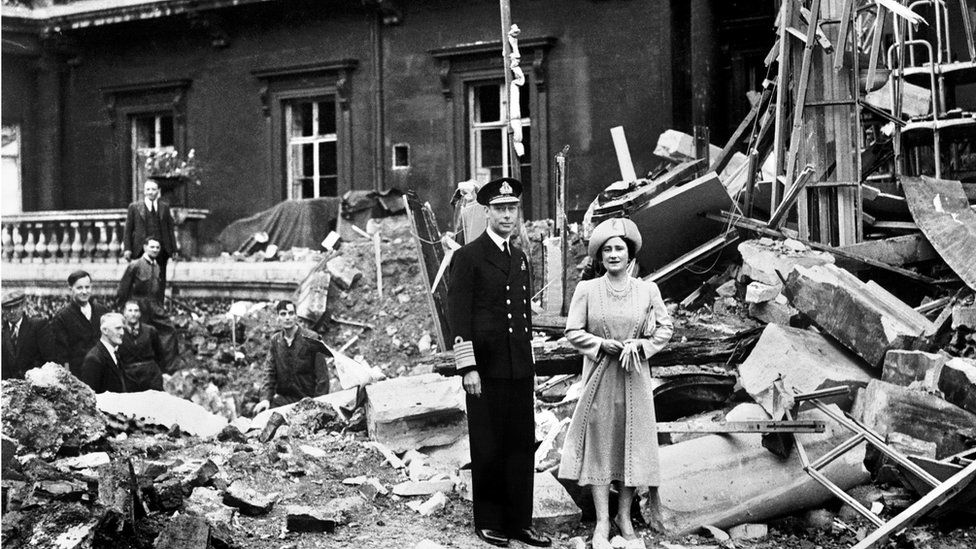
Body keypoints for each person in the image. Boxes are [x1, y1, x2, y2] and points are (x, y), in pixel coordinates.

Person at [557, 218, 673, 549]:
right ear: (599, 257)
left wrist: (641, 345)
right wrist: (599, 344)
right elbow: (572, 331)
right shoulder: (587, 290)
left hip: (634, 376)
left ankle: (624, 517)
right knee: (600, 444)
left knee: (629, 443)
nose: (613, 254)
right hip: (600, 376)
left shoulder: (648, 290)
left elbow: (665, 328)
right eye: (607, 250)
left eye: (619, 248)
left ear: (630, 253)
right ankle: (602, 521)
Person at [447, 177, 550, 548]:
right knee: (488, 446)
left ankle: (520, 522)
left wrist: (531, 366)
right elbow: (458, 317)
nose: (507, 215)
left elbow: (522, 317)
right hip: (485, 371)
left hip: (519, 368)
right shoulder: (469, 256)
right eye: (500, 209)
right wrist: (467, 367)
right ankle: (489, 520)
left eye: (513, 208)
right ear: (487, 212)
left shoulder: (520, 258)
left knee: (522, 445)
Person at [253, 300, 332, 414]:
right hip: (284, 400)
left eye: (291, 313)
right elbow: (269, 372)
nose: (287, 317)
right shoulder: (276, 341)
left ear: (296, 316)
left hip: (308, 401)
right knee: (262, 414)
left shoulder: (311, 338)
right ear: (278, 318)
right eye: (283, 314)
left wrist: (318, 404)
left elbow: (322, 377)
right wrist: (265, 399)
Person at [117, 236, 180, 372]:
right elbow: (123, 289)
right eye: (152, 247)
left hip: (154, 306)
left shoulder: (157, 266)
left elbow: (157, 290)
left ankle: (167, 368)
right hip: (139, 306)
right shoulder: (135, 265)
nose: (155, 250)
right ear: (145, 247)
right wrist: (123, 307)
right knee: (141, 334)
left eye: (157, 247)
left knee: (169, 330)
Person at [123, 178, 177, 301]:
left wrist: (174, 249)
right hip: (140, 250)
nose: (150, 192)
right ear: (144, 191)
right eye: (148, 189)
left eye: (153, 189)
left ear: (158, 191)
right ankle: (140, 308)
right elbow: (128, 230)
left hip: (161, 250)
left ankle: (159, 307)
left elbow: (170, 229)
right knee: (141, 280)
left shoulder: (164, 207)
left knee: (160, 279)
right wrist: (127, 249)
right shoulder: (134, 207)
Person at [52, 270, 109, 378]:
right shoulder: (62, 317)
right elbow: (61, 354)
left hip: (103, 370)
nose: (84, 291)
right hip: (79, 373)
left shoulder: (102, 311)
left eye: (87, 287)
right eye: (79, 288)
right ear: (71, 289)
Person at [1, 290, 53, 379]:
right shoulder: (2, 332)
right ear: (3, 310)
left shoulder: (38, 326)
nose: (12, 311)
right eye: (8, 308)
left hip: (34, 384)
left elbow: (50, 360)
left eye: (16, 306)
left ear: (23, 306)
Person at [117, 299, 164, 391]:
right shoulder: (119, 332)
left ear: (140, 313)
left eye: (136, 310)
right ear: (124, 313)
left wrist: (158, 371)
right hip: (129, 375)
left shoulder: (150, 331)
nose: (133, 314)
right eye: (130, 311)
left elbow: (159, 353)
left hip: (150, 375)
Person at [79, 313, 129, 393]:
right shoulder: (94, 359)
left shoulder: (115, 353)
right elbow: (91, 397)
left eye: (123, 328)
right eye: (118, 328)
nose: (122, 332)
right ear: (105, 330)